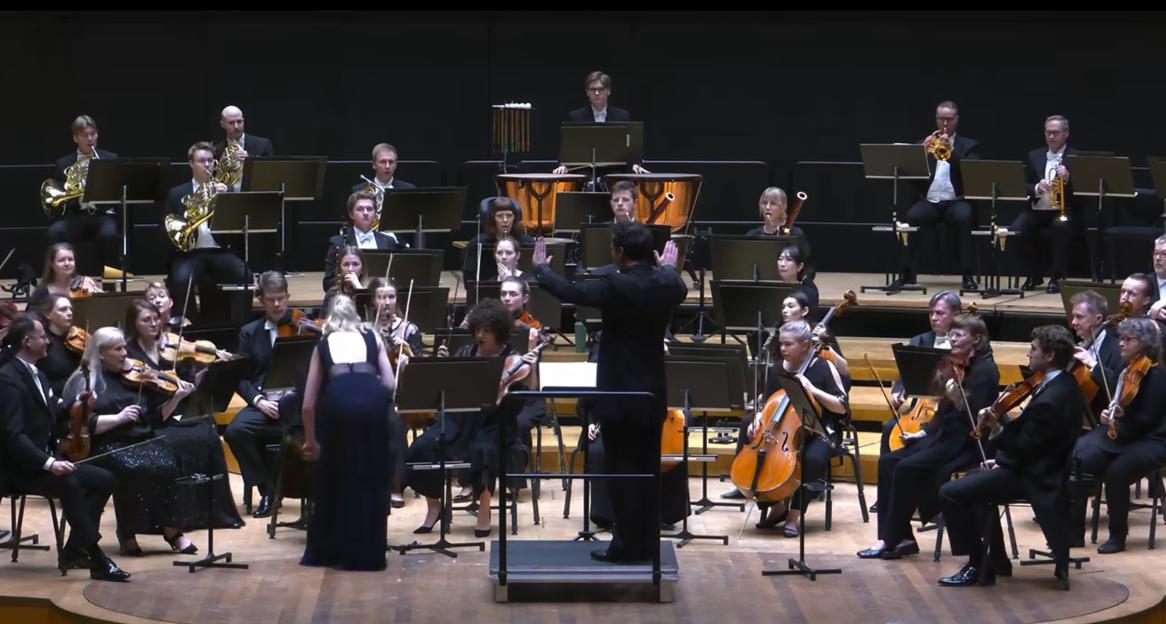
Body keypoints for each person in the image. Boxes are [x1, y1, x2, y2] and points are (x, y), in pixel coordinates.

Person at [532, 222, 687, 562]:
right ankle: (646, 543)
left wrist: (541, 270)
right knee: (647, 472)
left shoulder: (615, 284)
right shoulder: (668, 283)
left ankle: (624, 546)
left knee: (620, 473)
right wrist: (669, 269)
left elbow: (570, 292)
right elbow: (675, 285)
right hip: (651, 396)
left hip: (619, 398)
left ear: (618, 252)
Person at [938, 325, 1083, 589]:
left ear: (1049, 355)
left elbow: (1027, 448)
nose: (1029, 353)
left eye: (1034, 348)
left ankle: (976, 564)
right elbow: (1036, 441)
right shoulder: (1062, 383)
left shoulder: (1053, 396)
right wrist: (1001, 459)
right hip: (1032, 466)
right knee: (973, 485)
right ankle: (994, 562)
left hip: (1036, 476)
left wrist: (996, 429)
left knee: (951, 492)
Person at [857, 314, 999, 560]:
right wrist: (924, 431)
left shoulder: (986, 370)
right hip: (942, 436)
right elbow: (942, 413)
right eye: (951, 333)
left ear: (977, 339)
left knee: (906, 467)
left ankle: (891, 540)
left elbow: (977, 418)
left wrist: (956, 398)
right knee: (889, 461)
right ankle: (900, 537)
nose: (952, 338)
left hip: (965, 443)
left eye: (959, 334)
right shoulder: (955, 364)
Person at [0, 315, 129, 581]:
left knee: (104, 479)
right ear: (27, 342)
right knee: (69, 483)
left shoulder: (37, 373)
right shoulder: (8, 379)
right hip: (22, 468)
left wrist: (81, 404)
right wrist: (50, 464)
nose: (47, 341)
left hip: (45, 461)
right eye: (42, 337)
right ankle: (98, 559)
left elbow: (57, 411)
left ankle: (74, 549)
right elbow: (13, 436)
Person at [406, 299, 536, 537]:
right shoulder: (466, 352)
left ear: (499, 331)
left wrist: (533, 368)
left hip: (495, 423)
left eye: (487, 330)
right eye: (478, 329)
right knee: (420, 447)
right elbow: (448, 388)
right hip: (460, 419)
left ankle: (484, 510)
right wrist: (444, 364)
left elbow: (529, 398)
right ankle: (435, 507)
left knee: (484, 451)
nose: (480, 335)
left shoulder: (513, 357)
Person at [64, 326, 197, 557]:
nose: (125, 352)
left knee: (168, 463)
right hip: (106, 444)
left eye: (124, 346)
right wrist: (118, 418)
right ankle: (128, 533)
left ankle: (172, 530)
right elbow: (81, 425)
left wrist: (176, 398)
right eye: (118, 349)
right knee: (132, 468)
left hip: (140, 440)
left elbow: (155, 418)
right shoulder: (86, 380)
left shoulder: (136, 376)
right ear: (101, 354)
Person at [122, 299, 243, 530]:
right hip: (152, 418)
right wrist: (174, 397)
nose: (154, 324)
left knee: (207, 433)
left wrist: (206, 374)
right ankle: (178, 517)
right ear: (133, 324)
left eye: (156, 318)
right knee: (180, 441)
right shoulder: (130, 355)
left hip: (178, 410)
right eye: (146, 320)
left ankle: (213, 514)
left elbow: (189, 386)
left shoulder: (172, 349)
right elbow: (141, 403)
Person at [300, 295, 395, 570]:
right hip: (373, 403)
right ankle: (369, 554)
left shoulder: (323, 344)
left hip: (337, 404)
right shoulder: (373, 338)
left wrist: (310, 441)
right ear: (356, 315)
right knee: (371, 476)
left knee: (337, 475)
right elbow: (389, 384)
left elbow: (308, 404)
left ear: (329, 317)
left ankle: (332, 550)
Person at [1070, 317, 1166, 554]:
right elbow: (1117, 405)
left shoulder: (1157, 375)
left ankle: (1117, 536)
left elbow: (1149, 419)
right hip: (1124, 434)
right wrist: (1109, 414)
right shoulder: (1127, 371)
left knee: (1117, 473)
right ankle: (1073, 533)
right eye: (1120, 339)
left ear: (1144, 343)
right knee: (1079, 459)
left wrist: (1121, 417)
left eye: (1128, 340)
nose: (1121, 344)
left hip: (1153, 439)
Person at [224, 272, 299, 518]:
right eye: (271, 299)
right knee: (235, 431)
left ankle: (317, 493)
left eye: (281, 298)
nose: (277, 305)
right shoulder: (249, 332)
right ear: (261, 300)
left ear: (287, 297)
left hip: (296, 402)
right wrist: (259, 401)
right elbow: (241, 378)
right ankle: (266, 489)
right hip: (264, 402)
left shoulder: (303, 325)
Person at [891, 101, 981, 292]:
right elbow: (910, 177)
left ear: (956, 120)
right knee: (909, 219)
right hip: (929, 202)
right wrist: (920, 154)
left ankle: (967, 274)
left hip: (956, 202)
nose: (945, 123)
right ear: (936, 119)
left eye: (949, 119)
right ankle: (905, 274)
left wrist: (952, 152)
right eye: (941, 118)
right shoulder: (925, 143)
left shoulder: (969, 146)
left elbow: (971, 172)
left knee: (965, 218)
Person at [163, 142, 251, 324]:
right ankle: (188, 328)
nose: (207, 165)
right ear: (191, 164)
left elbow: (238, 223)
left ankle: (240, 327)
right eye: (202, 161)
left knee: (245, 275)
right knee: (180, 278)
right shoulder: (176, 193)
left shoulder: (226, 190)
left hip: (220, 251)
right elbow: (169, 228)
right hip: (190, 253)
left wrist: (227, 198)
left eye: (210, 161)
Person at [45, 115, 120, 276]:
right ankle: (63, 279)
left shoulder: (110, 159)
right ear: (75, 137)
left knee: (110, 235)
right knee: (55, 232)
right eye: (85, 135)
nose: (90, 138)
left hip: (102, 214)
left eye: (93, 134)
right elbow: (56, 193)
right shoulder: (63, 164)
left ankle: (111, 284)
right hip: (76, 214)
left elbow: (119, 190)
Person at [1012, 115, 1077, 294]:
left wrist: (1069, 178)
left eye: (1055, 133)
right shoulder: (1034, 155)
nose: (1051, 137)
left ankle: (1057, 276)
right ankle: (1034, 273)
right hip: (1039, 208)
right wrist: (1037, 187)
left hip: (1063, 209)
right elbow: (1023, 184)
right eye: (1048, 132)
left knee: (1059, 227)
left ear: (1066, 133)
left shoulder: (1075, 157)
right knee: (1017, 229)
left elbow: (1085, 188)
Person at [323, 191, 400, 292]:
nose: (365, 213)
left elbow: (396, 278)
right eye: (360, 209)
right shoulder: (338, 243)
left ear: (375, 214)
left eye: (370, 209)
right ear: (351, 214)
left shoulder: (389, 241)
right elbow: (327, 283)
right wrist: (345, 280)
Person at [745, 186, 812, 262]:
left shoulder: (795, 234)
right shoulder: (752, 235)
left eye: (773, 203)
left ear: (783, 207)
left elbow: (807, 266)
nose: (767, 207)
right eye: (764, 203)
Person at [36, 294, 82, 397]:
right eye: (63, 310)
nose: (69, 313)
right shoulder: (43, 342)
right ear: (48, 314)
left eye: (70, 309)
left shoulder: (76, 338)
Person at [29, 243, 100, 309]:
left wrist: (94, 292)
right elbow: (29, 318)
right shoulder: (42, 291)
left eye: (70, 259)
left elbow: (101, 309)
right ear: (51, 264)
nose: (67, 263)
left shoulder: (84, 283)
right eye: (61, 260)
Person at [567, 71, 631, 123]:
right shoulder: (575, 117)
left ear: (608, 91)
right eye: (593, 89)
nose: (597, 93)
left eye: (601, 89)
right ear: (587, 92)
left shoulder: (622, 116)